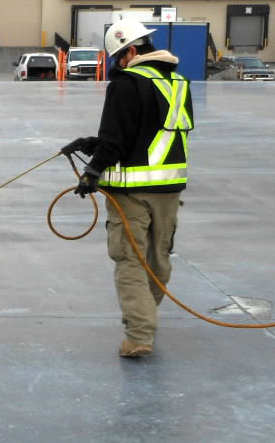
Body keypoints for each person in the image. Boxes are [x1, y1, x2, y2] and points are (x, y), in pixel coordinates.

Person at [61, 19, 193, 358]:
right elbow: (150, 132)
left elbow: (117, 139)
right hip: (170, 189)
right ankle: (146, 317)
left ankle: (139, 336)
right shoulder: (177, 83)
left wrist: (92, 173)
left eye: (119, 57)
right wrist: (92, 143)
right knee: (159, 260)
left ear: (131, 51)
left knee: (129, 261)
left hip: (131, 192)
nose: (117, 64)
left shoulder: (126, 83)